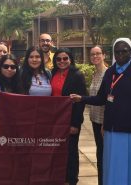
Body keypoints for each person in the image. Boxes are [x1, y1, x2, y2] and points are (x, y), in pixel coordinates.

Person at [70, 38, 131, 185]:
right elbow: (102, 98)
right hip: (112, 131)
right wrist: (81, 98)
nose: (120, 54)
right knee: (114, 167)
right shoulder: (110, 73)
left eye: (124, 51)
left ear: (130, 52)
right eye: (117, 51)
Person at [51, 48, 87, 185]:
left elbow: (80, 102)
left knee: (71, 151)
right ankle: (59, 176)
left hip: (70, 119)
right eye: (58, 59)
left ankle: (71, 179)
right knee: (56, 148)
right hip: (54, 119)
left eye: (65, 58)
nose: (62, 61)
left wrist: (75, 124)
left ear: (70, 59)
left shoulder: (77, 75)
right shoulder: (53, 73)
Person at [88, 45, 107, 185]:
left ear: (104, 55)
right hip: (94, 120)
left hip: (103, 123)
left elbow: (109, 100)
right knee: (99, 154)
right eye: (92, 54)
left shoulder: (108, 74)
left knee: (104, 156)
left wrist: (106, 123)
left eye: (98, 53)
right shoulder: (95, 74)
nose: (95, 56)